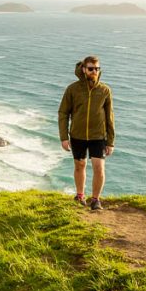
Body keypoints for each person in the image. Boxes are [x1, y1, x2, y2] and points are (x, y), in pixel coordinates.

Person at [58, 55, 115, 210]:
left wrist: (110, 141)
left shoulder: (104, 90)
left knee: (99, 167)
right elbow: (63, 113)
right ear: (83, 69)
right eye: (91, 68)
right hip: (77, 135)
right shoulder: (72, 89)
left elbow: (110, 116)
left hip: (98, 136)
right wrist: (64, 137)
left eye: (97, 69)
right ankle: (80, 196)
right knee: (80, 165)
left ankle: (95, 200)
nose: (94, 71)